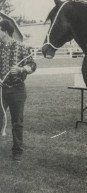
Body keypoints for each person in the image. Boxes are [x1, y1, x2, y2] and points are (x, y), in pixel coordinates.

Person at [0, 20, 37, 162]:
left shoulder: (21, 47)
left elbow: (32, 65)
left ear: (4, 31)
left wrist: (21, 69)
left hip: (18, 90)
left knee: (17, 122)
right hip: (2, 90)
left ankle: (17, 152)